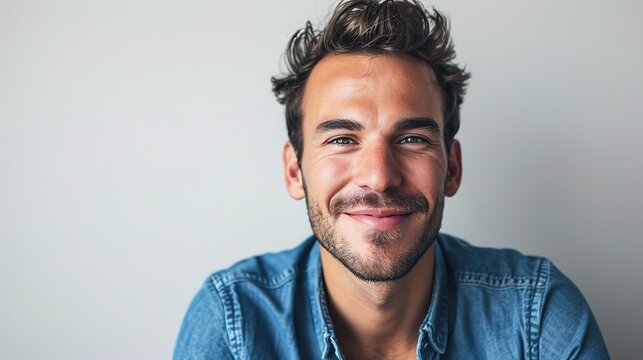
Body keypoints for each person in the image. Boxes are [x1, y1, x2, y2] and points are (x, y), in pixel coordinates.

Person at [173, 0, 609, 358]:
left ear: (452, 168)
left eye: (412, 138)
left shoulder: (538, 317)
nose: (379, 177)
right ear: (295, 171)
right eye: (343, 138)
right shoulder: (234, 326)